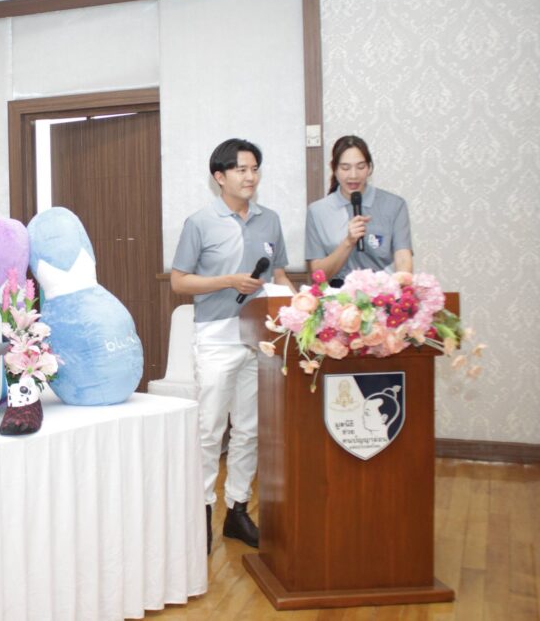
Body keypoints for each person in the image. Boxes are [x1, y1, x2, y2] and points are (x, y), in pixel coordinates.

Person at [170, 138, 293, 553]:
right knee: (209, 430)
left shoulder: (269, 220)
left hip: (260, 337)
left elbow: (280, 275)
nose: (250, 177)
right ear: (219, 177)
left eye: (255, 169)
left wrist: (300, 309)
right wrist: (228, 281)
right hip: (216, 337)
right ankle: (201, 513)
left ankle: (237, 511)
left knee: (250, 429)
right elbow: (179, 281)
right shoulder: (200, 222)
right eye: (241, 169)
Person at [305, 135, 413, 285]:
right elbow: (317, 274)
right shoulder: (318, 211)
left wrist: (402, 286)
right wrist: (348, 242)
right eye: (345, 168)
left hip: (382, 290)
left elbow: (403, 259)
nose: (353, 175)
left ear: (369, 168)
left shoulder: (394, 205)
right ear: (334, 169)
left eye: (360, 167)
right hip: (338, 294)